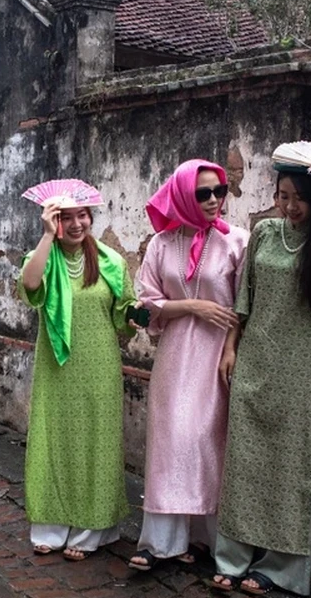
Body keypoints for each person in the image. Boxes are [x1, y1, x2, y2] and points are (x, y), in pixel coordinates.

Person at [211, 153, 311, 596]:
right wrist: (231, 346)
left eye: (297, 198)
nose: (288, 206)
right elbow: (243, 297)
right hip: (255, 361)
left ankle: (280, 568)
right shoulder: (266, 233)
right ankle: (233, 558)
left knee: (290, 467)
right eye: (281, 196)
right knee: (245, 464)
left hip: (301, 373)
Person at [128, 160, 249, 572]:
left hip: (218, 358)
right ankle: (159, 543)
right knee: (171, 443)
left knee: (208, 443)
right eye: (203, 193)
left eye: (220, 191)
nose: (214, 200)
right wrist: (192, 306)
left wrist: (233, 345)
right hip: (176, 357)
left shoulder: (238, 242)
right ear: (182, 195)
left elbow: (247, 305)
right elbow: (145, 303)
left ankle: (210, 542)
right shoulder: (161, 244)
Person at [18, 194, 137, 561]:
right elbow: (30, 286)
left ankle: (90, 532)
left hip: (99, 368)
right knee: (53, 440)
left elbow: (124, 314)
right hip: (57, 367)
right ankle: (51, 529)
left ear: (90, 217)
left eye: (81, 216)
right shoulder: (45, 257)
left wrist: (136, 316)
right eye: (65, 217)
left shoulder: (110, 262)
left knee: (96, 444)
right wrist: (45, 236)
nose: (75, 224)